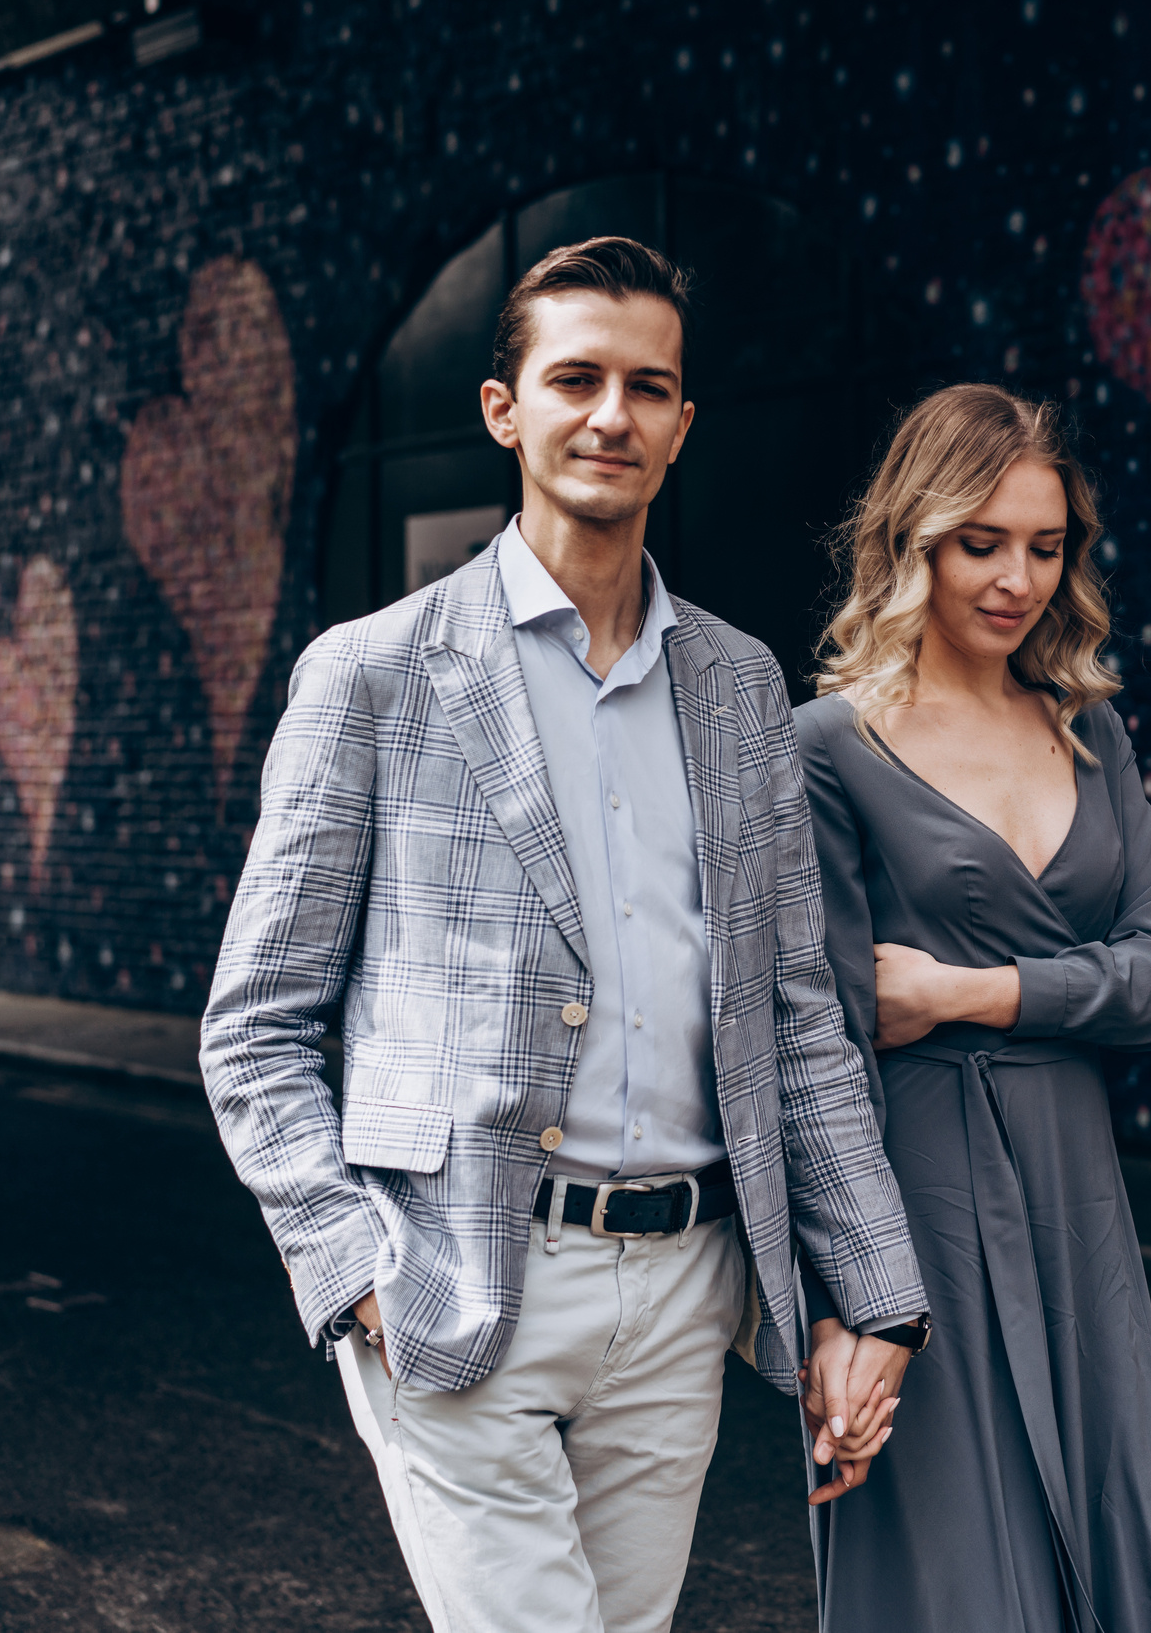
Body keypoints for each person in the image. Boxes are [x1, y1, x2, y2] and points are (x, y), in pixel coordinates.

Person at [199, 236, 930, 1633]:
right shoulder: (371, 674)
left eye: (647, 387)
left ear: (683, 425)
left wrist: (876, 1294)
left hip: (685, 1288)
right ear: (504, 409)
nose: (612, 416)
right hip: (460, 1270)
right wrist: (352, 1273)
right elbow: (256, 1022)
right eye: (576, 379)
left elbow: (792, 1019)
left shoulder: (738, 685)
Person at [794, 383, 1151, 1633]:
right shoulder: (829, 745)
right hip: (917, 1196)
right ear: (913, 539)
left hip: (1077, 1197)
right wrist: (838, 1304)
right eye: (982, 542)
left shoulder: (1089, 732)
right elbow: (812, 1047)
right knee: (959, 1578)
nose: (1017, 578)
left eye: (1046, 545)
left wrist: (967, 990)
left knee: (1119, 1533)